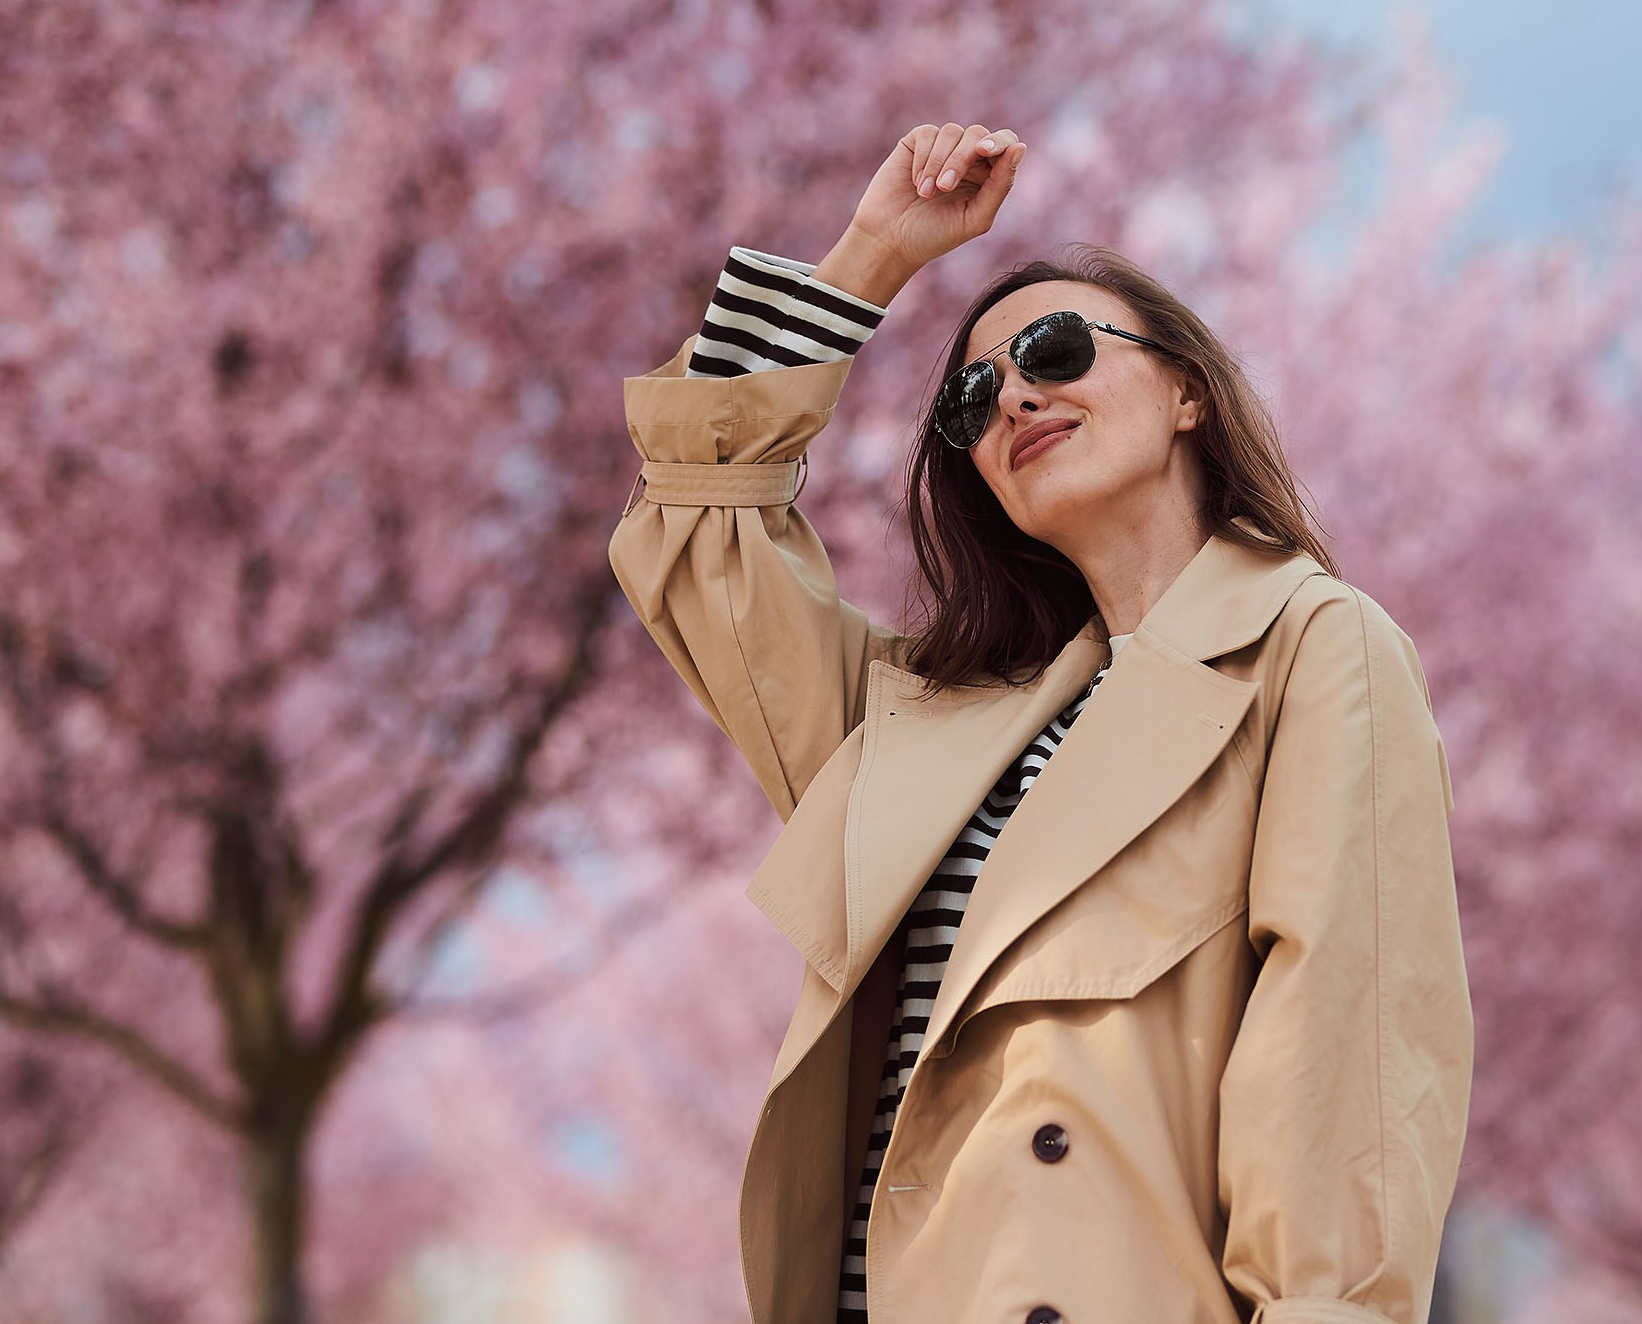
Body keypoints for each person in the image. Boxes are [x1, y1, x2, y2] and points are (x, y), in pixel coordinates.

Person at [608, 122, 1473, 1324]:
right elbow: (697, 528)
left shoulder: (1311, 649)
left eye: (1056, 350)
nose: (1014, 394)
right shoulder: (925, 720)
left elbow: (1347, 1078)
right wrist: (869, 257)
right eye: (972, 400)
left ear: (1185, 390)